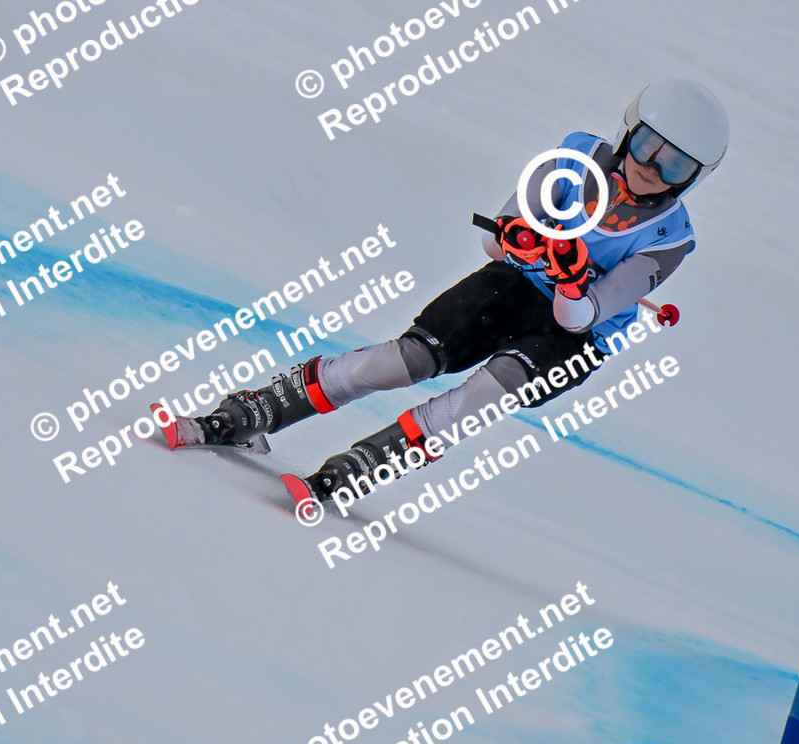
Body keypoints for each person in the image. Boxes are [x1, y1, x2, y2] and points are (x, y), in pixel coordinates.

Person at [154, 77, 729, 502]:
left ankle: (362, 466)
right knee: (405, 361)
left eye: (676, 165)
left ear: (693, 179)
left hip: (577, 338)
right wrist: (533, 247)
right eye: (649, 145)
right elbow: (496, 242)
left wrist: (569, 276)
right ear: (628, 130)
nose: (653, 168)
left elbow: (578, 318)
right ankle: (251, 412)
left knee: (484, 394)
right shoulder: (575, 154)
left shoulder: (671, 239)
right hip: (516, 283)